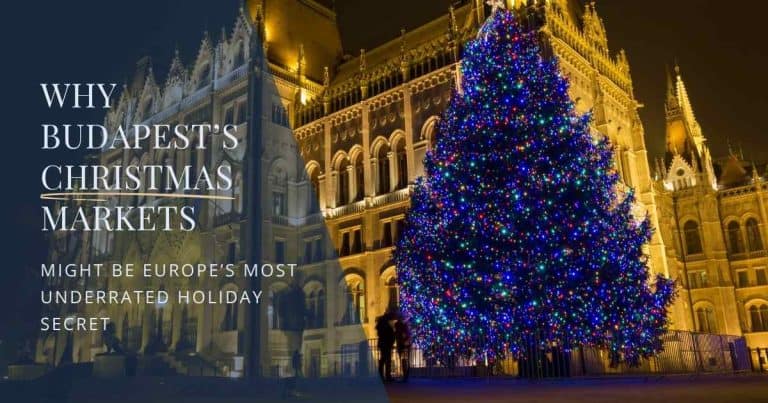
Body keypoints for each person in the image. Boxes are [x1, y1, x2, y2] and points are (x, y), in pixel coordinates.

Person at [375, 313, 395, 382]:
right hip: (386, 344)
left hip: (384, 344)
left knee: (383, 360)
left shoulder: (381, 326)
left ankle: (383, 375)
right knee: (386, 360)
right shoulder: (386, 326)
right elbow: (390, 335)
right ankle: (387, 376)